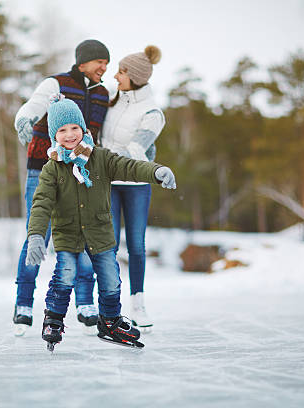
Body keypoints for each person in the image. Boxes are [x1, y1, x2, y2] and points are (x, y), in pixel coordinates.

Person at [25, 95, 176, 351]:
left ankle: (110, 321)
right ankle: (53, 319)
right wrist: (36, 235)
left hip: (101, 235)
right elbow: (41, 204)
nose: (70, 134)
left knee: (111, 281)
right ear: (54, 135)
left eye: (74, 127)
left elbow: (129, 167)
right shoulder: (52, 168)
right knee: (66, 276)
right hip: (68, 236)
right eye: (62, 130)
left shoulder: (101, 158)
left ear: (83, 129)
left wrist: (155, 171)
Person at [12, 39, 111, 336]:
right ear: (83, 63)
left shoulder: (105, 93)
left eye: (107, 63)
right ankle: (23, 303)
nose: (104, 67)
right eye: (99, 62)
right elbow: (32, 107)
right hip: (42, 170)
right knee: (37, 233)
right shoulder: (56, 84)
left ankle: (84, 303)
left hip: (81, 173)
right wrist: (24, 120)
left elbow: (116, 125)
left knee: (84, 233)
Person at [99, 45, 165, 331]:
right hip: (109, 184)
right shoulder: (112, 103)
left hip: (136, 184)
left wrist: (107, 155)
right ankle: (108, 305)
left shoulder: (152, 112)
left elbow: (137, 148)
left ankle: (137, 302)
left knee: (136, 245)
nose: (116, 76)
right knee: (108, 244)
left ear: (135, 76)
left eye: (122, 72)